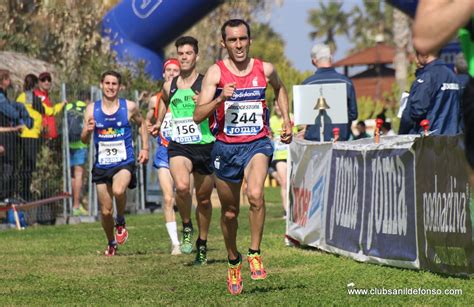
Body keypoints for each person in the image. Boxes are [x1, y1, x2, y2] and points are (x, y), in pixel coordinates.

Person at [194, 19, 292, 295]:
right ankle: (233, 260)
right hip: (225, 149)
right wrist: (219, 99)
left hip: (257, 143)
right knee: (229, 212)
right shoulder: (215, 73)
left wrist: (285, 119)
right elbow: (198, 115)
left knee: (256, 195)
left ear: (250, 40)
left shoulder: (265, 68)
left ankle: (254, 252)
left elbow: (280, 87)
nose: (239, 45)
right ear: (223, 43)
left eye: (243, 39)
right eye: (233, 40)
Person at [150, 37, 214, 265]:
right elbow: (165, 104)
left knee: (204, 200)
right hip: (179, 144)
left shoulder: (207, 83)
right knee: (183, 187)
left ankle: (202, 244)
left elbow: (219, 111)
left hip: (205, 144)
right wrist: (159, 122)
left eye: (189, 53)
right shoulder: (170, 85)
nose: (185, 57)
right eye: (181, 53)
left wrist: (205, 104)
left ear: (196, 56)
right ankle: (186, 225)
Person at [81, 70, 149, 256]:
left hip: (123, 162)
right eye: (107, 83)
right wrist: (87, 131)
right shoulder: (91, 109)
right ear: (101, 84)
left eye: (114, 84)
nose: (111, 87)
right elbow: (84, 140)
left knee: (119, 191)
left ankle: (120, 220)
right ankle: (111, 242)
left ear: (120, 87)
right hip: (102, 165)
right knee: (104, 211)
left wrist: (145, 148)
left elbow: (141, 124)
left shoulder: (129, 107)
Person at [146, 58, 182, 255]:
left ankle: (187, 229)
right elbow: (146, 120)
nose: (172, 73)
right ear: (163, 73)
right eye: (169, 70)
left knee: (184, 195)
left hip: (185, 153)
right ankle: (175, 243)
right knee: (168, 198)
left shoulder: (187, 95)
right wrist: (150, 128)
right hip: (164, 152)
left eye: (176, 70)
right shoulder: (156, 99)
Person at [301, 43, 358, 142]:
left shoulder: (307, 84)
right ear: (331, 58)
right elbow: (353, 114)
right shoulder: (346, 82)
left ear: (313, 61)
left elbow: (302, 116)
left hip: (315, 142)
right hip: (341, 140)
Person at [399, 50, 461, 135]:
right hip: (453, 137)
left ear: (425, 55)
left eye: (417, 55)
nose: (416, 60)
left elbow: (416, 110)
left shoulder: (427, 77)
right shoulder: (452, 76)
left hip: (430, 139)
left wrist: (403, 133)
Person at [269, 101, 297, 219]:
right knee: (284, 182)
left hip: (292, 154)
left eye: (280, 104)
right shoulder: (271, 120)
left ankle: (295, 209)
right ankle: (287, 212)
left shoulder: (291, 117)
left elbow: (296, 133)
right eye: (275, 105)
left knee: (292, 183)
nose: (278, 107)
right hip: (279, 155)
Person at [66, 91, 91, 216]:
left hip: (68, 144)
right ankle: (76, 206)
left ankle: (71, 204)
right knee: (79, 175)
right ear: (87, 99)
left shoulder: (69, 106)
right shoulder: (86, 109)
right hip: (81, 144)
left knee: (71, 176)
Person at [35, 72, 65, 141]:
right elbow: (49, 111)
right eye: (43, 80)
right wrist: (61, 105)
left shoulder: (46, 96)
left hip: (50, 134)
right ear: (39, 82)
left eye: (49, 80)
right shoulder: (36, 95)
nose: (46, 82)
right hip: (43, 134)